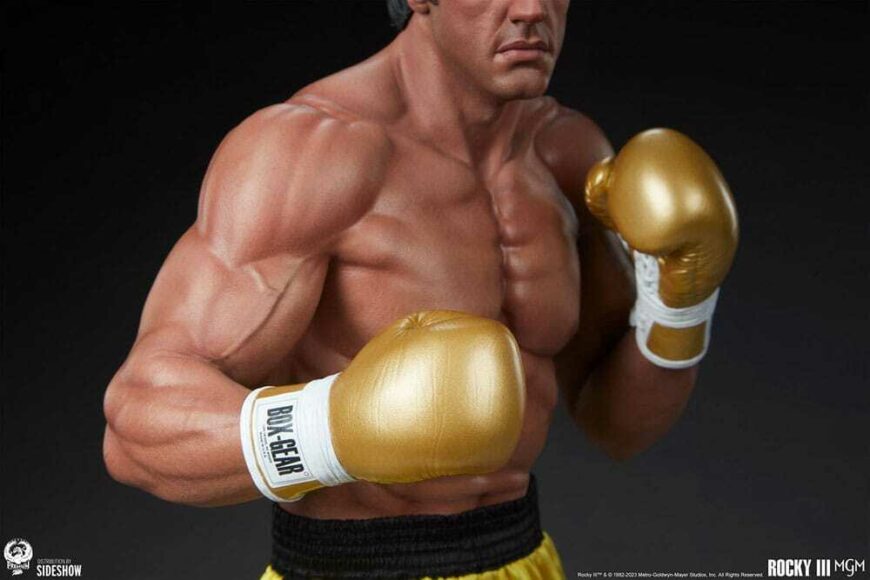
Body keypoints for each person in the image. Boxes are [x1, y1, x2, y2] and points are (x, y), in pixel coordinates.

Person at [102, 0, 738, 578]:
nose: (530, 10)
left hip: (524, 559)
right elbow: (136, 428)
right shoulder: (311, 152)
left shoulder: (566, 154)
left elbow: (618, 425)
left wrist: (683, 301)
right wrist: (336, 428)